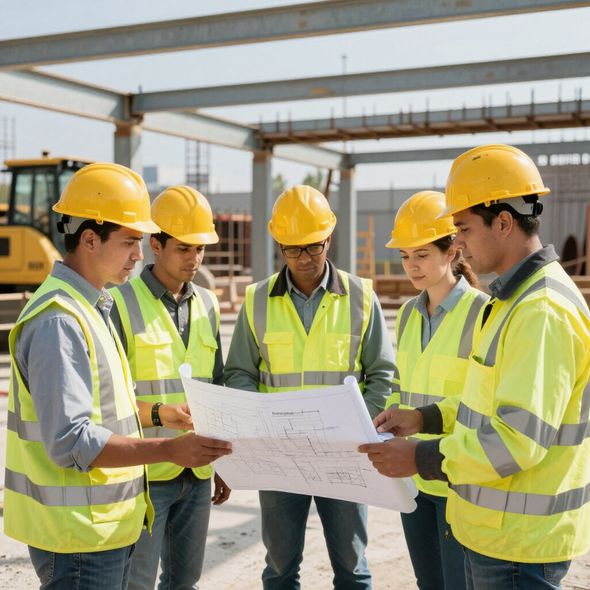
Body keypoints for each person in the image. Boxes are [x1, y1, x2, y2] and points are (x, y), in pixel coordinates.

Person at [360, 144, 590, 590]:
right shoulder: (509, 303)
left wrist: (420, 456)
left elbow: (516, 441)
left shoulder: (540, 310)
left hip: (520, 546)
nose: (458, 242)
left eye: (463, 227)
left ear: (503, 222)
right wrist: (424, 417)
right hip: (492, 531)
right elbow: (481, 405)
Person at [3, 163, 232, 590]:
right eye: (130, 241)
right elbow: (71, 440)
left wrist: (162, 415)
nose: (139, 254)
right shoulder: (61, 321)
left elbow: (112, 410)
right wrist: (168, 450)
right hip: (77, 538)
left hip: (100, 528)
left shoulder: (92, 309)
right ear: (90, 239)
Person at [224, 184, 396, 590]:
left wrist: (356, 430)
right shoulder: (257, 300)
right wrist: (260, 424)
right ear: (279, 245)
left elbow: (383, 374)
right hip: (279, 458)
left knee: (352, 568)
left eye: (313, 248)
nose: (304, 259)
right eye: (292, 249)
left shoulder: (361, 297)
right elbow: (239, 373)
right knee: (280, 569)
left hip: (344, 455)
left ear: (328, 239)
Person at [110, 185, 231, 590]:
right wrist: (160, 413)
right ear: (156, 245)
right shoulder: (119, 304)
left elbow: (217, 386)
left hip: (197, 471)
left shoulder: (209, 305)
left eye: (200, 249)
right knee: (137, 583)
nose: (195, 259)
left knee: (185, 582)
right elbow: (108, 397)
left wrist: (224, 462)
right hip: (145, 473)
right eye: (184, 248)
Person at [384, 190, 488, 590]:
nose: (412, 266)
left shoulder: (483, 313)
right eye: (406, 256)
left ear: (452, 251)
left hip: (455, 476)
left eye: (422, 254)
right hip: (413, 479)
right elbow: (401, 383)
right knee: (428, 582)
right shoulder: (409, 314)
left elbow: (485, 401)